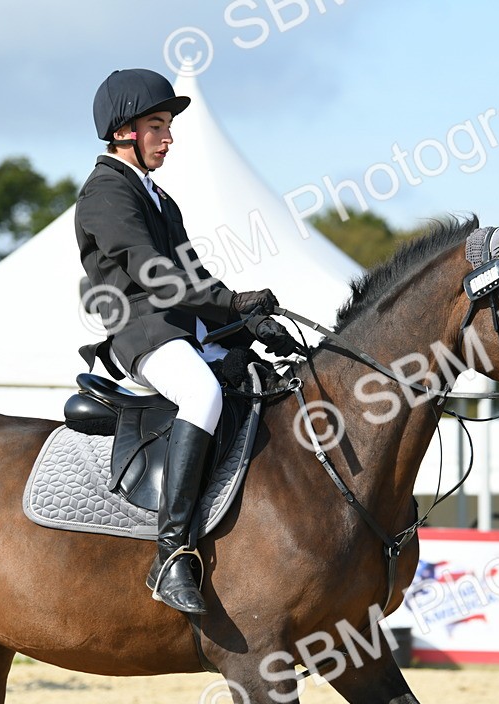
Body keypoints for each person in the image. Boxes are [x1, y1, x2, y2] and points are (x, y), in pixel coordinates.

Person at [76, 68, 297, 615]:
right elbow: (153, 274)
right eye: (157, 126)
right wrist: (232, 304)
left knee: (264, 380)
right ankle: (171, 554)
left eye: (169, 126)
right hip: (141, 332)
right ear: (123, 130)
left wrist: (247, 323)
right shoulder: (105, 193)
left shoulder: (161, 200)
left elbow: (194, 275)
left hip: (184, 330)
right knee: (203, 394)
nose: (168, 138)